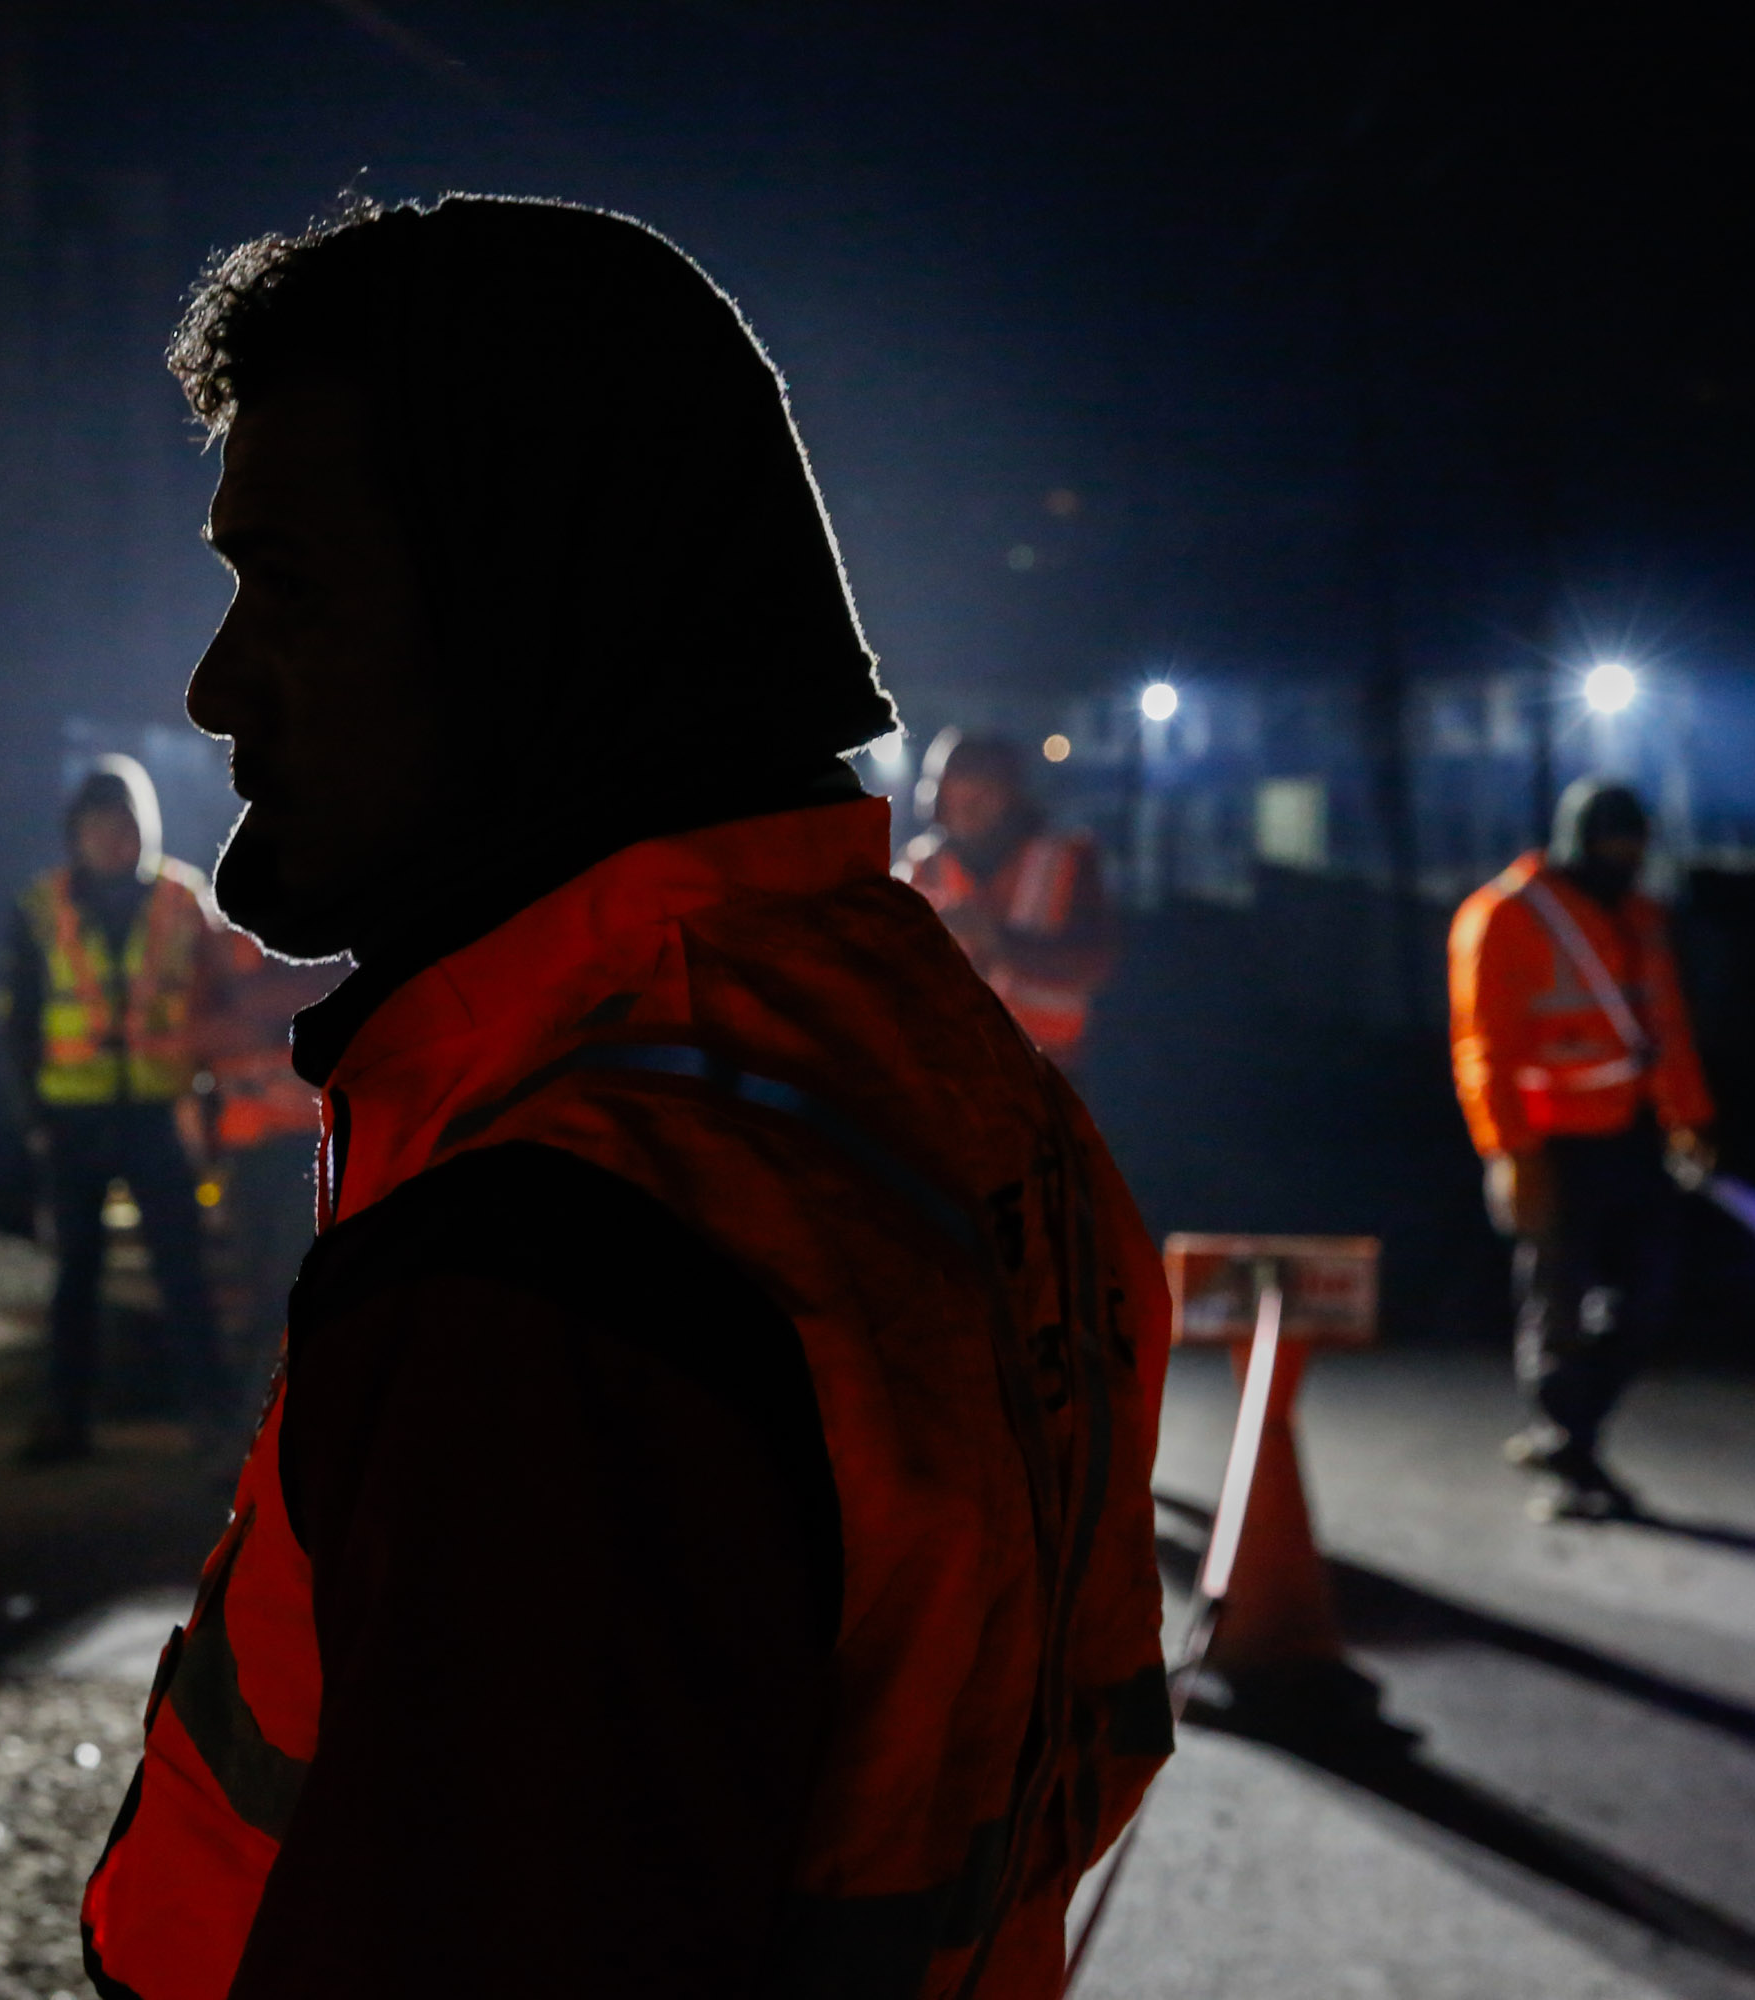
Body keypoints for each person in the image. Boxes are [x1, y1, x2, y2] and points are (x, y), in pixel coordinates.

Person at [77, 196, 1173, 2000]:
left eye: (287, 584)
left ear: (521, 614)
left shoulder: (567, 1264)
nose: (213, 686)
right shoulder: (939, 1075)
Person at [1448, 778, 1712, 1521]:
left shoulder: (1642, 916)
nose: (1625, 859)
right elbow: (1483, 1050)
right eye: (1611, 846)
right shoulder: (1502, 915)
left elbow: (1666, 1024)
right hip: (1549, 1141)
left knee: (1649, 1294)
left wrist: (1689, 1116)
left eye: (1635, 847)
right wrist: (1510, 1154)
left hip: (1629, 1133)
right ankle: (1569, 1450)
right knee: (1555, 1303)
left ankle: (1568, 1432)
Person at [0, 756, 229, 1464]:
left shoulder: (185, 900)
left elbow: (217, 1008)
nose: (112, 839)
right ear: (76, 833)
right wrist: (32, 1116)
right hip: (73, 1120)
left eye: (124, 825)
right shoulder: (40, 907)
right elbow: (16, 1021)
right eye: (98, 826)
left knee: (182, 1272)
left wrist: (213, 1111)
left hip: (160, 1111)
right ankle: (66, 1418)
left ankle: (210, 1420)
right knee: (74, 1276)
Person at [894, 728, 1116, 1066]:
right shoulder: (919, 867)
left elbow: (1095, 963)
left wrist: (998, 940)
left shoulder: (1066, 859)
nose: (972, 805)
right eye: (959, 793)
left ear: (1014, 796)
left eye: (986, 792)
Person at [203, 932, 340, 1414]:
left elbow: (333, 991)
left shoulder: (336, 932)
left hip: (316, 1144)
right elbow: (191, 1025)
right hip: (249, 1148)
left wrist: (252, 1005)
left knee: (294, 1292)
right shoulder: (221, 940)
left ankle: (270, 1433)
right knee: (263, 1297)